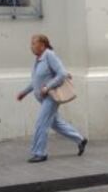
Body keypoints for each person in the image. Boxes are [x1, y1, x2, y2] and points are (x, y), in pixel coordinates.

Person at [16, 34, 87, 163]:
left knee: (41, 123)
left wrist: (47, 87)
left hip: (51, 97)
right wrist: (24, 92)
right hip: (43, 98)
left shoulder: (49, 55)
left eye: (33, 43)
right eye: (31, 43)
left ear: (42, 45)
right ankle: (80, 140)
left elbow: (62, 74)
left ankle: (40, 153)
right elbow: (36, 81)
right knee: (56, 123)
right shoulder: (38, 60)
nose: (31, 46)